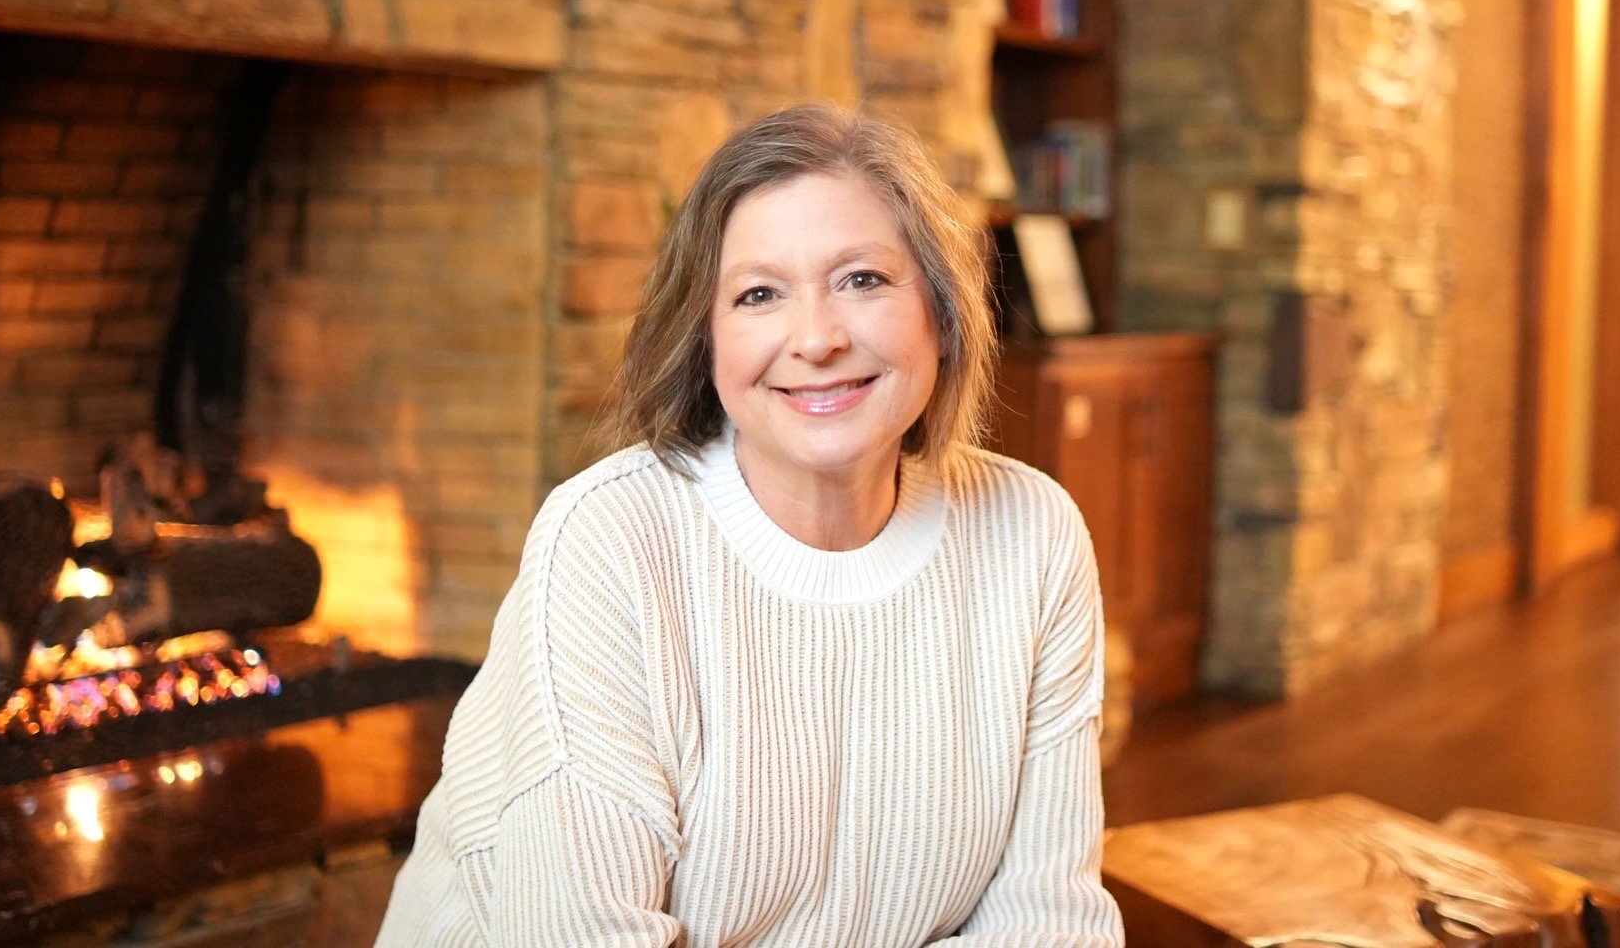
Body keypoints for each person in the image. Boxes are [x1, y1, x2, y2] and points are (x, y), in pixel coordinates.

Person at [377, 104, 1122, 946]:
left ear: (942, 316)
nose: (817, 338)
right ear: (708, 340)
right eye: (760, 294)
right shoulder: (609, 541)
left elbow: (1049, 921)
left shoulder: (1031, 533)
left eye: (863, 280)